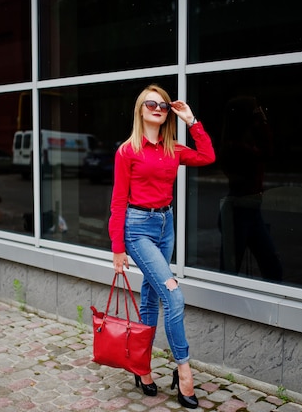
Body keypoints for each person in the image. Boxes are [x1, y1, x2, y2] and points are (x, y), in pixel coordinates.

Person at [108, 84, 215, 409]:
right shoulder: (127, 151)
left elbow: (208, 156)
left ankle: (141, 368)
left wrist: (191, 119)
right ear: (141, 110)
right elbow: (118, 201)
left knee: (153, 298)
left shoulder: (173, 148)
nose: (158, 108)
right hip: (137, 229)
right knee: (173, 295)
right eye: (151, 103)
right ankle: (184, 371)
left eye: (164, 105)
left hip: (165, 226)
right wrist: (117, 247)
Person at [218, 95, 283, 281]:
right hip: (238, 211)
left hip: (252, 210)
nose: (258, 113)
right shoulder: (234, 147)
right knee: (230, 270)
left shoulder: (246, 142)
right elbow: (268, 153)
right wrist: (262, 121)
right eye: (254, 111)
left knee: (272, 267)